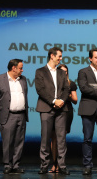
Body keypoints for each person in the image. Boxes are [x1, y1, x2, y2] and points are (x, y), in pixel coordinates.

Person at [35, 47, 70, 175]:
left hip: (61, 109)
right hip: (46, 108)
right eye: (59, 56)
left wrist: (61, 101)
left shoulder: (61, 72)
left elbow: (67, 89)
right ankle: (44, 165)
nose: (61, 59)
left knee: (61, 139)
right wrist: (53, 101)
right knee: (45, 138)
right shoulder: (40, 71)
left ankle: (62, 165)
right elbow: (40, 90)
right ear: (52, 56)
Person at [0, 59, 28, 174]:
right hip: (8, 115)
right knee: (7, 141)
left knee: (19, 142)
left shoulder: (23, 79)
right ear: (13, 68)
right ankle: (7, 165)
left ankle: (16, 165)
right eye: (20, 68)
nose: (22, 70)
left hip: (21, 114)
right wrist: (4, 107)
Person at [49, 64, 78, 173]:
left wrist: (66, 94)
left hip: (66, 112)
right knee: (54, 139)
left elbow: (75, 100)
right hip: (54, 111)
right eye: (62, 71)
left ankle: (61, 164)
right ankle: (54, 163)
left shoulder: (71, 83)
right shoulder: (53, 83)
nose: (64, 73)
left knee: (61, 139)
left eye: (66, 71)